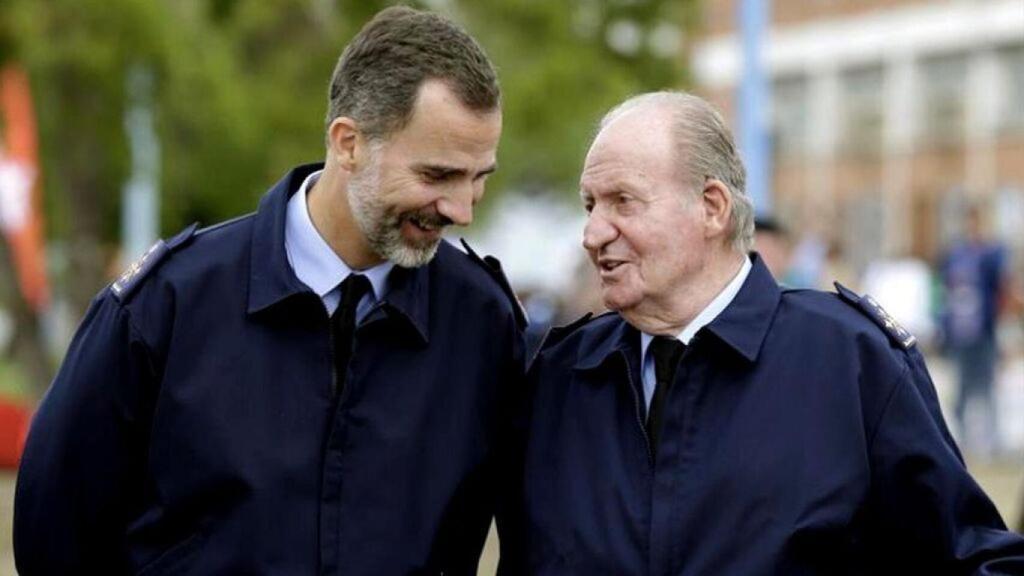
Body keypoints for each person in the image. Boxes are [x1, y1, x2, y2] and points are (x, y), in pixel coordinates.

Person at [15, 7, 524, 575]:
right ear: (348, 143)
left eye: (479, 178)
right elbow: (54, 536)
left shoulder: (485, 325)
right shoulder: (166, 305)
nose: (461, 210)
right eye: (437, 176)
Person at [500, 92, 1024, 575]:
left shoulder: (849, 361)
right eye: (590, 205)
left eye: (623, 201)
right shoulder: (559, 377)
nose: (593, 234)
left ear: (712, 207)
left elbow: (968, 558)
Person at [939, 204, 1009, 457]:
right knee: (960, 391)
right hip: (960, 334)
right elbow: (945, 291)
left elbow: (1001, 289)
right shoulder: (955, 255)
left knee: (987, 388)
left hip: (983, 333)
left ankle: (992, 442)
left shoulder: (992, 254)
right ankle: (963, 441)